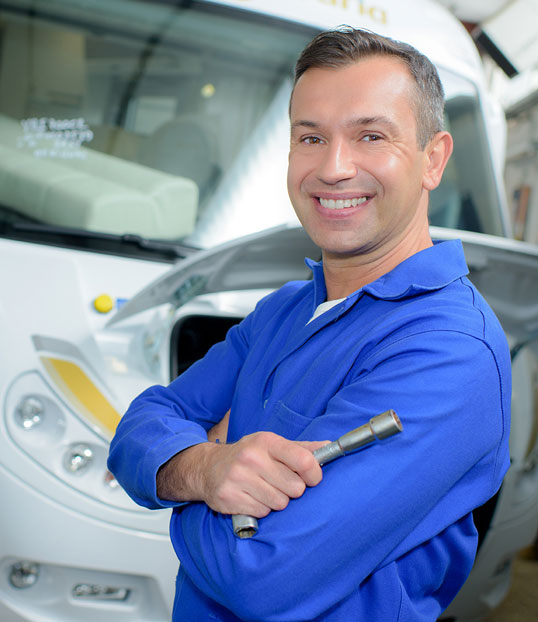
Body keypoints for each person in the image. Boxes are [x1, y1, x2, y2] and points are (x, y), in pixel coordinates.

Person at [108, 27, 511, 622]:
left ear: (433, 159)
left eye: (370, 135)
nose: (334, 168)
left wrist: (179, 480)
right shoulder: (284, 310)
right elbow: (134, 432)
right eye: (311, 137)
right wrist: (207, 466)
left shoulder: (450, 352)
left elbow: (262, 576)